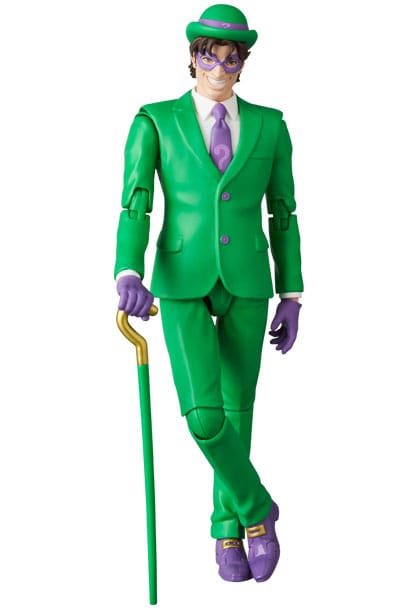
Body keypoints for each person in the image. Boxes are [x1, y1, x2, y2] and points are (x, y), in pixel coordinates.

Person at [114, 4, 303, 584]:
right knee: (204, 415)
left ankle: (227, 530)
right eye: (208, 55)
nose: (219, 67)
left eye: (231, 57)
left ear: (244, 63)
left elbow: (284, 213)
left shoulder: (270, 125)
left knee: (239, 408)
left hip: (248, 278)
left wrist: (292, 292)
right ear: (191, 56)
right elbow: (135, 204)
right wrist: (127, 271)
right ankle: (257, 507)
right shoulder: (155, 121)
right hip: (180, 279)